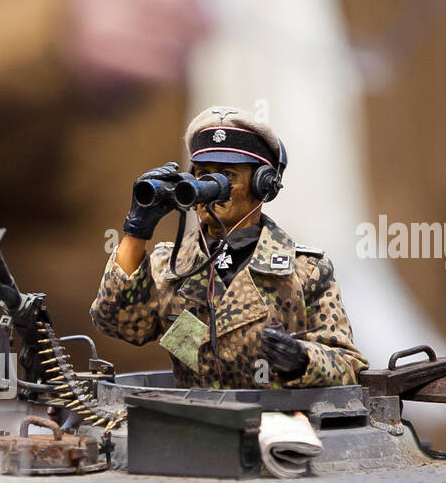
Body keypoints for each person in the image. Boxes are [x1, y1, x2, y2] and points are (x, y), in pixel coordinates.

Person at [90, 107, 368, 389]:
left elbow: (348, 364)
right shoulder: (170, 265)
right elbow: (118, 323)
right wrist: (136, 230)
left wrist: (302, 360)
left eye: (227, 175)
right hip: (193, 420)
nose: (209, 187)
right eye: (202, 175)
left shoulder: (304, 271)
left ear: (263, 185)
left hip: (274, 422)